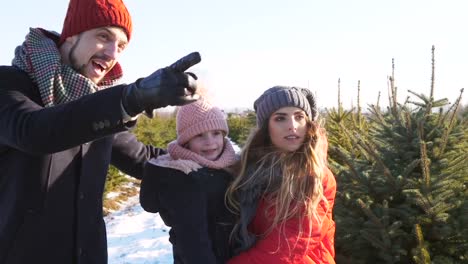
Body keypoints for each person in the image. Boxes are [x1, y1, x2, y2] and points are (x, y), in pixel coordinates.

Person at [0, 0, 201, 262]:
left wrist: (216, 163)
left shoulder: (97, 106)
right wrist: (131, 99)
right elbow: (35, 131)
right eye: (103, 36)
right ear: (71, 35)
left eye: (120, 46)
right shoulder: (10, 84)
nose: (111, 53)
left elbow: (142, 157)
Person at [226, 86, 336, 263]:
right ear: (266, 128)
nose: (292, 126)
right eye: (280, 118)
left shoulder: (315, 176)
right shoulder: (250, 171)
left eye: (299, 117)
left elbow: (289, 245)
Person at [140, 98, 238, 263]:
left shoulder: (230, 167)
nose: (210, 142)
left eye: (216, 133)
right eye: (200, 135)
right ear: (186, 142)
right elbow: (193, 242)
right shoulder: (183, 178)